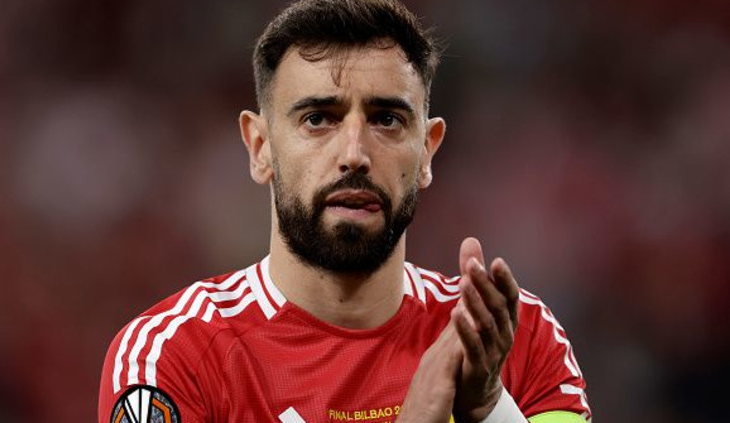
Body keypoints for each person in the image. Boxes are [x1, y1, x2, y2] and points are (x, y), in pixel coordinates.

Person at [99, 1, 592, 422]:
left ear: (427, 150)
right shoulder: (174, 355)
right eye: (318, 119)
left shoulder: (511, 337)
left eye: (386, 120)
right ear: (260, 147)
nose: (354, 153)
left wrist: (489, 405)